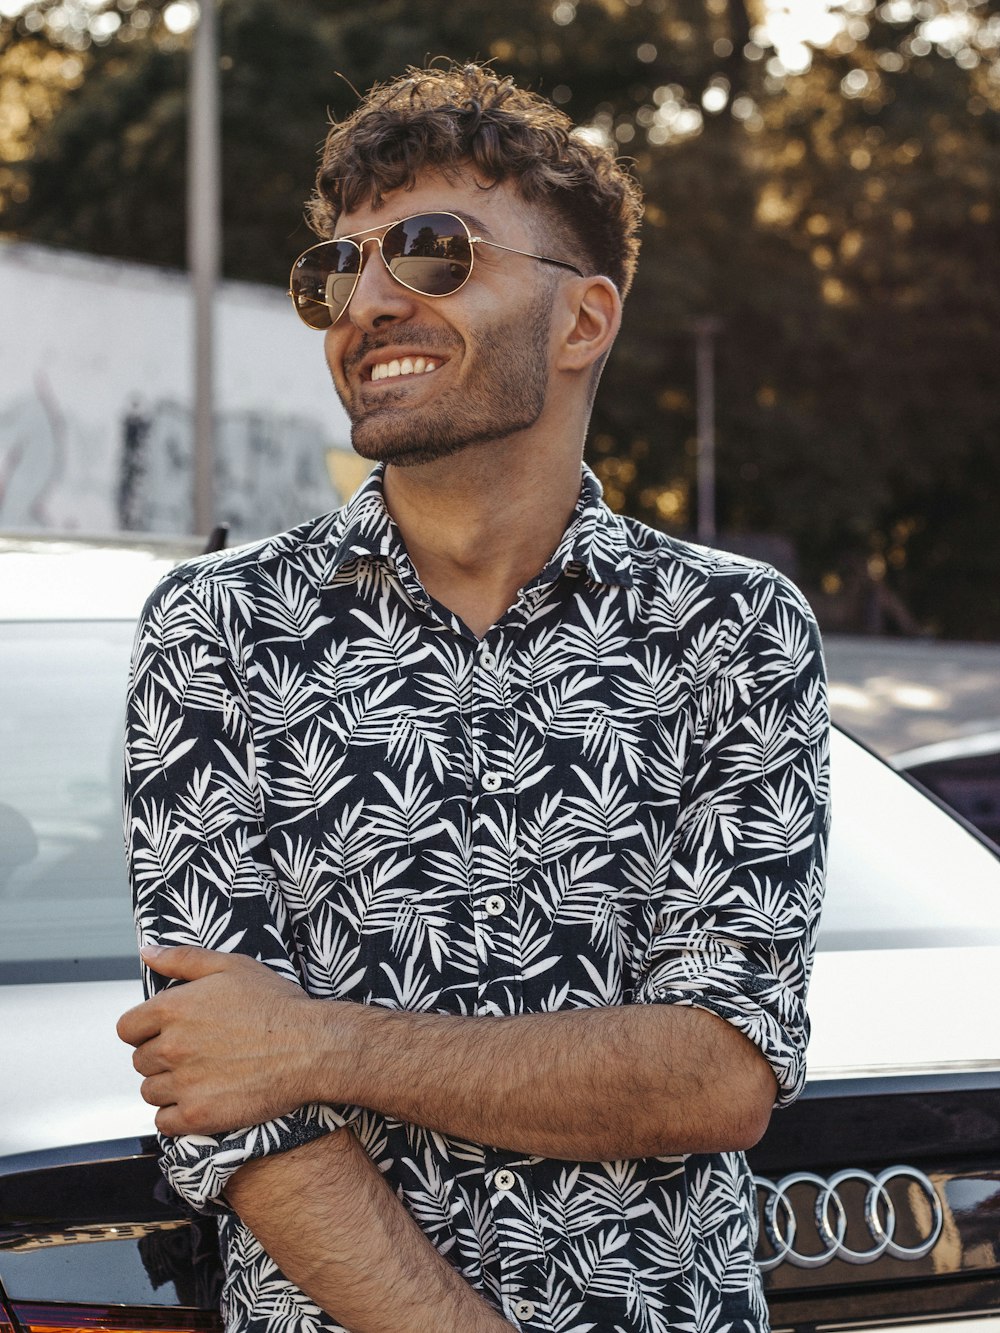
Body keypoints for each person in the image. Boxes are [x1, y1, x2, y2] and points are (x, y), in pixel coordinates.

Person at [117, 61, 829, 1333]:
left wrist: (321, 1041)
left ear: (582, 321)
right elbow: (231, 1094)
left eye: (432, 253)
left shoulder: (729, 631)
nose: (367, 302)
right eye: (335, 271)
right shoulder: (216, 631)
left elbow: (718, 1071)